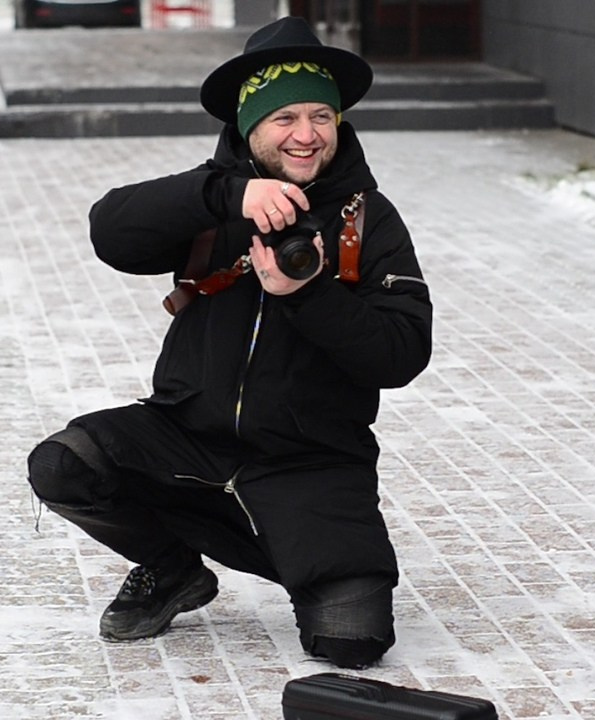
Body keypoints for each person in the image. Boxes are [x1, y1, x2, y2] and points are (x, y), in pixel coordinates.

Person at [25, 16, 432, 670]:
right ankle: (172, 566)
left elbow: (403, 352)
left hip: (310, 463)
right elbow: (110, 230)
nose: (306, 135)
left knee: (352, 640)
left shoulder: (366, 217)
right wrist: (225, 195)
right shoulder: (212, 203)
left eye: (321, 116)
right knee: (63, 464)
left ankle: (305, 558)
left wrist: (309, 294)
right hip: (188, 437)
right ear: (250, 126)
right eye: (285, 118)